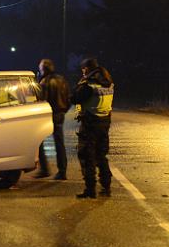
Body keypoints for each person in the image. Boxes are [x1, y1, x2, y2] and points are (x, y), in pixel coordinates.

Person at [71, 58, 114, 198]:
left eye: (83, 69)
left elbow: (74, 98)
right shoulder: (108, 82)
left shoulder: (89, 84)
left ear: (87, 69)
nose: (82, 71)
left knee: (86, 156)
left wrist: (81, 83)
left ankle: (90, 190)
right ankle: (106, 186)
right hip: (105, 122)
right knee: (101, 156)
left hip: (90, 124)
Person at [34, 58, 70, 180]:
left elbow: (41, 100)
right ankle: (62, 171)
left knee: (38, 141)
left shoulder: (44, 82)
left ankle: (44, 169)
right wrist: (64, 109)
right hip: (60, 114)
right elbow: (68, 98)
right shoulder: (62, 80)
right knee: (59, 143)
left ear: (43, 69)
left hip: (48, 115)